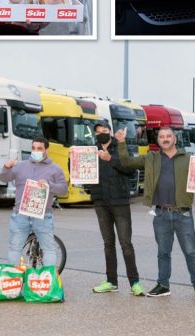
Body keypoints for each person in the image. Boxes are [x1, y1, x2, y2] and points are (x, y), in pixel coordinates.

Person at [115, 127, 195, 300]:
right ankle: (163, 285)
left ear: (175, 139)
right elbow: (126, 162)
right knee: (163, 252)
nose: (165, 139)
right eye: (161, 137)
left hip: (183, 213)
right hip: (161, 213)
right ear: (157, 140)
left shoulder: (188, 159)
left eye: (168, 136)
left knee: (191, 252)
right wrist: (121, 142)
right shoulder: (151, 158)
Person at [87, 122, 144, 296]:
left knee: (126, 243)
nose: (102, 134)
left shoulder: (119, 147)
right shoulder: (89, 151)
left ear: (110, 132)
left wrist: (110, 159)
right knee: (108, 243)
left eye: (105, 131)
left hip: (120, 202)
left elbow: (129, 169)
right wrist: (73, 161)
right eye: (98, 132)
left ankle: (134, 283)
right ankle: (111, 281)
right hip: (100, 202)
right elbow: (81, 173)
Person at [1, 137, 68, 266]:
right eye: (33, 148)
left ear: (46, 150)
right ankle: (14, 280)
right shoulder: (20, 165)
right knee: (15, 248)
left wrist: (49, 185)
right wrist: (6, 167)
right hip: (21, 214)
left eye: (39, 148)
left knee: (48, 248)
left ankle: (48, 279)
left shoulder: (55, 169)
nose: (35, 151)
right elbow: (4, 178)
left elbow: (63, 189)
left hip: (42, 215)